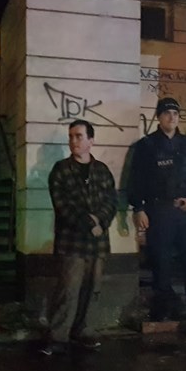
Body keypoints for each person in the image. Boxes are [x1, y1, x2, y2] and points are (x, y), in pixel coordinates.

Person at [129, 97, 186, 323]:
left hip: (185, 212)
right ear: (159, 117)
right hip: (159, 210)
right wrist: (138, 208)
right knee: (161, 261)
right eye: (167, 113)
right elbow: (136, 179)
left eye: (176, 114)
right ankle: (163, 308)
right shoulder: (147, 146)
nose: (172, 117)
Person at [41, 119, 118, 355]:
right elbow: (63, 205)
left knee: (92, 290)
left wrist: (101, 220)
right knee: (68, 290)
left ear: (91, 141)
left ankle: (83, 331)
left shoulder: (102, 170)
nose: (73, 141)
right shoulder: (61, 170)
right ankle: (58, 336)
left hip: (97, 243)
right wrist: (89, 224)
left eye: (79, 136)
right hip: (72, 242)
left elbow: (111, 201)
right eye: (71, 136)